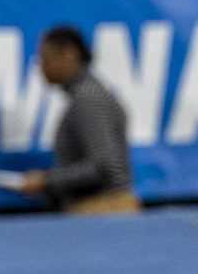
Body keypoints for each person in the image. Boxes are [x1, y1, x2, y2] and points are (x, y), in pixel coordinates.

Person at [20, 24, 138, 214]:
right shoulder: (86, 96)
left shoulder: (89, 100)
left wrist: (46, 181)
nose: (41, 66)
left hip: (103, 211)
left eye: (45, 58)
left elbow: (104, 167)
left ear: (69, 54)